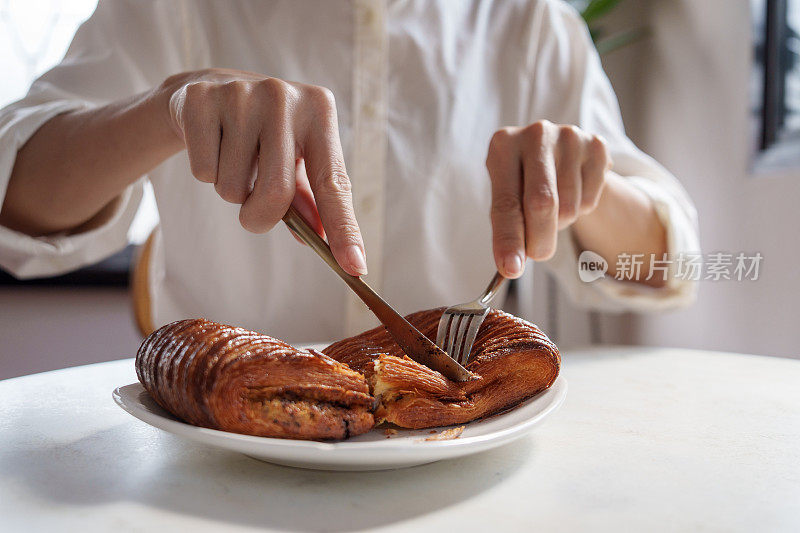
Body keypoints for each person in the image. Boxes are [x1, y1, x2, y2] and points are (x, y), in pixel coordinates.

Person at [0, 0, 698, 345]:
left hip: (452, 473)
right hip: (209, 473)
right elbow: (15, 206)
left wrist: (587, 188)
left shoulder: (529, 27)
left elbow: (677, 267)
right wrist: (165, 111)